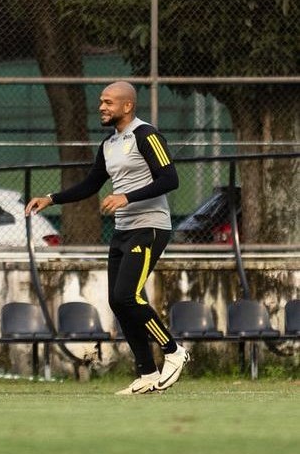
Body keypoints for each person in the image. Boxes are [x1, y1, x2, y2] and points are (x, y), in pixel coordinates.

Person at [25, 81, 186, 395]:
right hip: (123, 230)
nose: (102, 107)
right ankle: (147, 373)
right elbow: (90, 184)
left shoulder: (146, 135)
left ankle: (174, 351)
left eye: (109, 102)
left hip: (150, 226)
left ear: (127, 106)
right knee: (118, 301)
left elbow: (170, 179)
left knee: (128, 297)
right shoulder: (109, 144)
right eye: (101, 102)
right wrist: (51, 198)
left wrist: (127, 197)